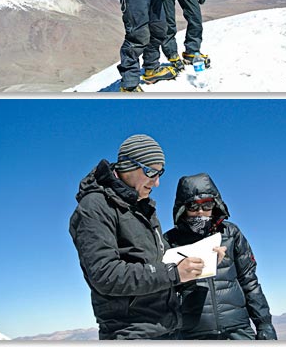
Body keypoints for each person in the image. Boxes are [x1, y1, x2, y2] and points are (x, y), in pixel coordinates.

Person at [69, 134, 205, 340]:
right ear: (127, 166)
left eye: (161, 173)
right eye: (151, 172)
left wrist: (199, 261)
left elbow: (158, 262)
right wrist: (174, 273)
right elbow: (105, 275)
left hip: (167, 329)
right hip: (130, 333)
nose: (157, 182)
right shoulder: (95, 207)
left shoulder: (144, 208)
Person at [164, 173, 278, 340]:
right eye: (193, 206)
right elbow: (163, 290)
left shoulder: (231, 233)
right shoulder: (170, 241)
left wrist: (264, 324)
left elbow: (249, 281)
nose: (200, 212)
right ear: (182, 208)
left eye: (207, 205)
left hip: (238, 330)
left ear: (215, 205)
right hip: (193, 333)